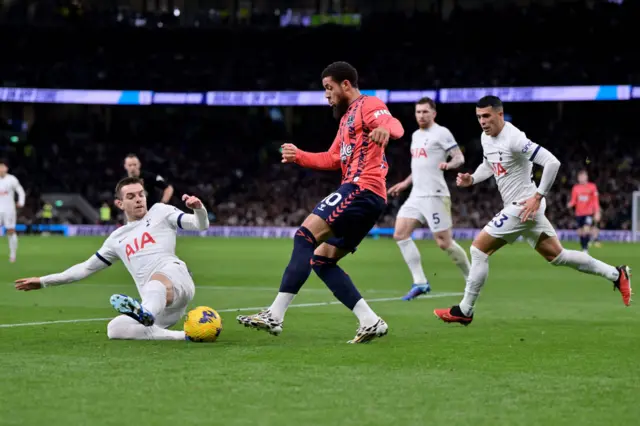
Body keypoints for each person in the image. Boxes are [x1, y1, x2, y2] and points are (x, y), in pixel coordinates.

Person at [237, 61, 404, 343]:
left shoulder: (367, 104)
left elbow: (393, 124)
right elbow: (332, 158)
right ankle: (370, 321)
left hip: (361, 188)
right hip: (369, 197)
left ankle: (275, 315)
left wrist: (386, 130)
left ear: (346, 85)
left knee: (304, 236)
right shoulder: (346, 120)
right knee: (322, 260)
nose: (326, 95)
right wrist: (299, 155)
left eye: (329, 88)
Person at [434, 96, 632, 325]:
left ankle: (465, 310)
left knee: (478, 250)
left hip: (524, 205)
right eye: (479, 117)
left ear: (500, 114)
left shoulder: (515, 139)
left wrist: (538, 197)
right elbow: (490, 164)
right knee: (558, 256)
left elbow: (552, 162)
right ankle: (617, 275)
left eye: (487, 116)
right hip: (520, 206)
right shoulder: (485, 138)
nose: (482, 121)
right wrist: (473, 179)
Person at [15, 177, 210, 341]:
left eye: (141, 194)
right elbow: (84, 269)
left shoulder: (161, 211)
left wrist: (199, 209)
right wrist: (43, 282)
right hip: (163, 307)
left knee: (156, 282)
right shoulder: (117, 239)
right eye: (131, 196)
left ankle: (146, 314)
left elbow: (199, 225)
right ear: (119, 203)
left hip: (177, 278)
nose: (138, 199)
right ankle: (182, 335)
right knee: (115, 329)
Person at [388, 97, 470, 301]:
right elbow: (419, 166)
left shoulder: (442, 133)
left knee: (444, 243)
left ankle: (472, 277)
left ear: (434, 113)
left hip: (435, 194)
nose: (421, 115)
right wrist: (405, 183)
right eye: (418, 112)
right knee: (400, 234)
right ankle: (421, 282)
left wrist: (449, 165)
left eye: (425, 112)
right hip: (416, 195)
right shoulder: (415, 135)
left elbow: (459, 158)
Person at [567, 170, 600, 253]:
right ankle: (583, 247)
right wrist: (570, 204)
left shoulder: (592, 186)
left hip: (588, 212)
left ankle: (585, 249)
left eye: (583, 176)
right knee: (580, 232)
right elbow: (574, 200)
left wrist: (597, 212)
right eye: (580, 177)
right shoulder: (575, 188)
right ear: (578, 178)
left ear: (586, 177)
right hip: (579, 213)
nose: (582, 178)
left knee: (586, 229)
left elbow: (595, 200)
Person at [0, 159, 26, 263]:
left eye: (3, 167)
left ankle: (13, 254)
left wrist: (21, 202)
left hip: (8, 209)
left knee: (10, 231)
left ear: (6, 168)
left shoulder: (12, 179)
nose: (1, 169)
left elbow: (20, 191)